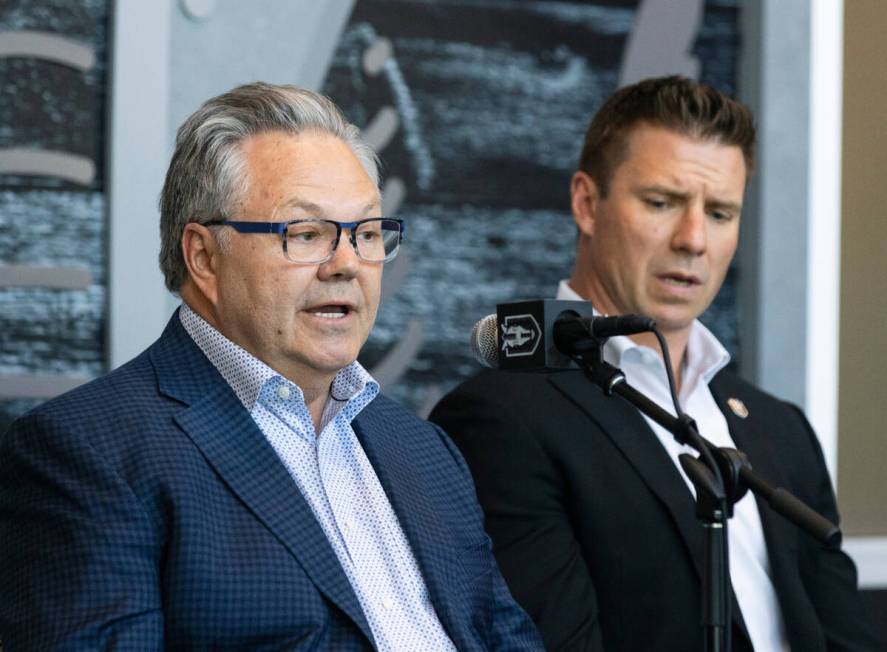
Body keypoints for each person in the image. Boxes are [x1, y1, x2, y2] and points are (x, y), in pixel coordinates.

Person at [0, 82, 543, 651]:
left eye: (365, 234)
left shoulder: (424, 451)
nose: (347, 265)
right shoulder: (87, 451)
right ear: (204, 256)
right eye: (305, 234)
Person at [430, 76, 882, 651]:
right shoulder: (499, 418)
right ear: (587, 204)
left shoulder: (780, 429)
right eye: (662, 203)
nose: (693, 239)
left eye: (720, 213)